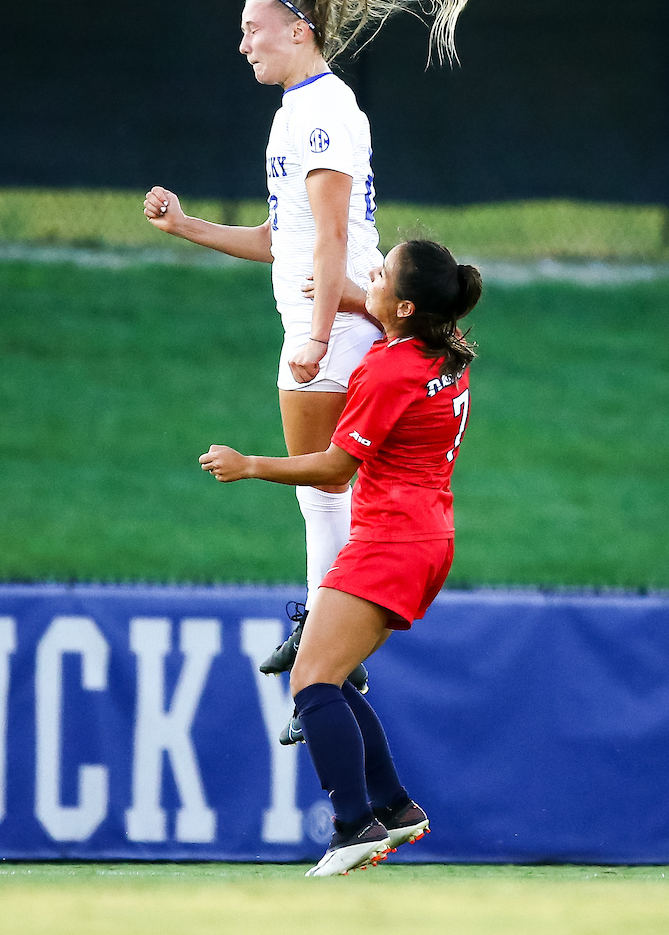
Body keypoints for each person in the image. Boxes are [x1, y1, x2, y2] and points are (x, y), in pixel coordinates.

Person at [144, 0, 477, 691]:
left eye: (251, 29)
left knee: (327, 491)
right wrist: (187, 225)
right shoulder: (300, 111)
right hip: (321, 314)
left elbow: (331, 238)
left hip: (329, 321)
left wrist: (320, 332)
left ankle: (329, 638)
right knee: (331, 492)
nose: (242, 44)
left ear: (298, 29)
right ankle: (327, 627)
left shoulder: (321, 110)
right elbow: (283, 240)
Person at [200, 239, 483, 876]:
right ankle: (395, 807)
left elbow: (335, 467)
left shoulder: (388, 371)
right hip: (427, 535)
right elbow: (399, 313)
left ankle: (353, 826)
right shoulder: (446, 347)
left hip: (390, 540)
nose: (370, 275)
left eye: (379, 273)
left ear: (406, 307)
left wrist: (250, 465)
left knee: (312, 679)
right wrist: (344, 295)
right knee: (330, 669)